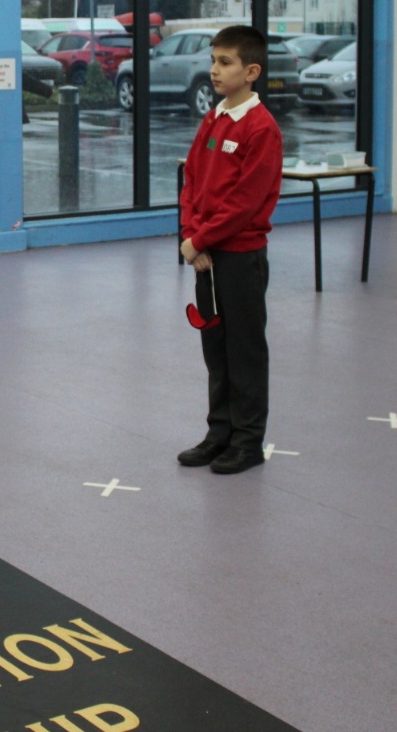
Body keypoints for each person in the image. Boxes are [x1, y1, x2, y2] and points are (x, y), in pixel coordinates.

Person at [176, 26, 283, 475]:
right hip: (206, 256)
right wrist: (192, 238)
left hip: (239, 258)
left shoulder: (261, 128)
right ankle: (219, 433)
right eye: (213, 61)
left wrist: (200, 240)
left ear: (251, 71)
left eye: (225, 62)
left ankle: (247, 441)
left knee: (244, 352)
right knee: (216, 349)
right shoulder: (213, 119)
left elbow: (244, 202)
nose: (214, 70)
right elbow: (192, 180)